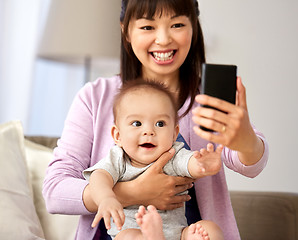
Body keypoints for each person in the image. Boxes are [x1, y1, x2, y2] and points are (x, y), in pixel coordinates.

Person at [42, 0, 269, 239]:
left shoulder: (206, 99)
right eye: (148, 27)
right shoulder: (95, 97)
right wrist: (133, 192)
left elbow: (251, 163)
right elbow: (55, 190)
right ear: (125, 30)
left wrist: (245, 141)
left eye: (177, 24)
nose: (163, 39)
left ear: (194, 26)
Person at [83, 80, 224, 240]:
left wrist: (202, 164)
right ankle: (150, 236)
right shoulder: (118, 158)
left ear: (173, 133)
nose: (149, 131)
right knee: (128, 237)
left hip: (178, 235)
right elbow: (99, 177)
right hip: (134, 231)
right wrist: (106, 198)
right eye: (137, 123)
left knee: (210, 230)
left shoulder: (173, 154)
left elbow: (189, 163)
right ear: (118, 135)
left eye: (160, 123)